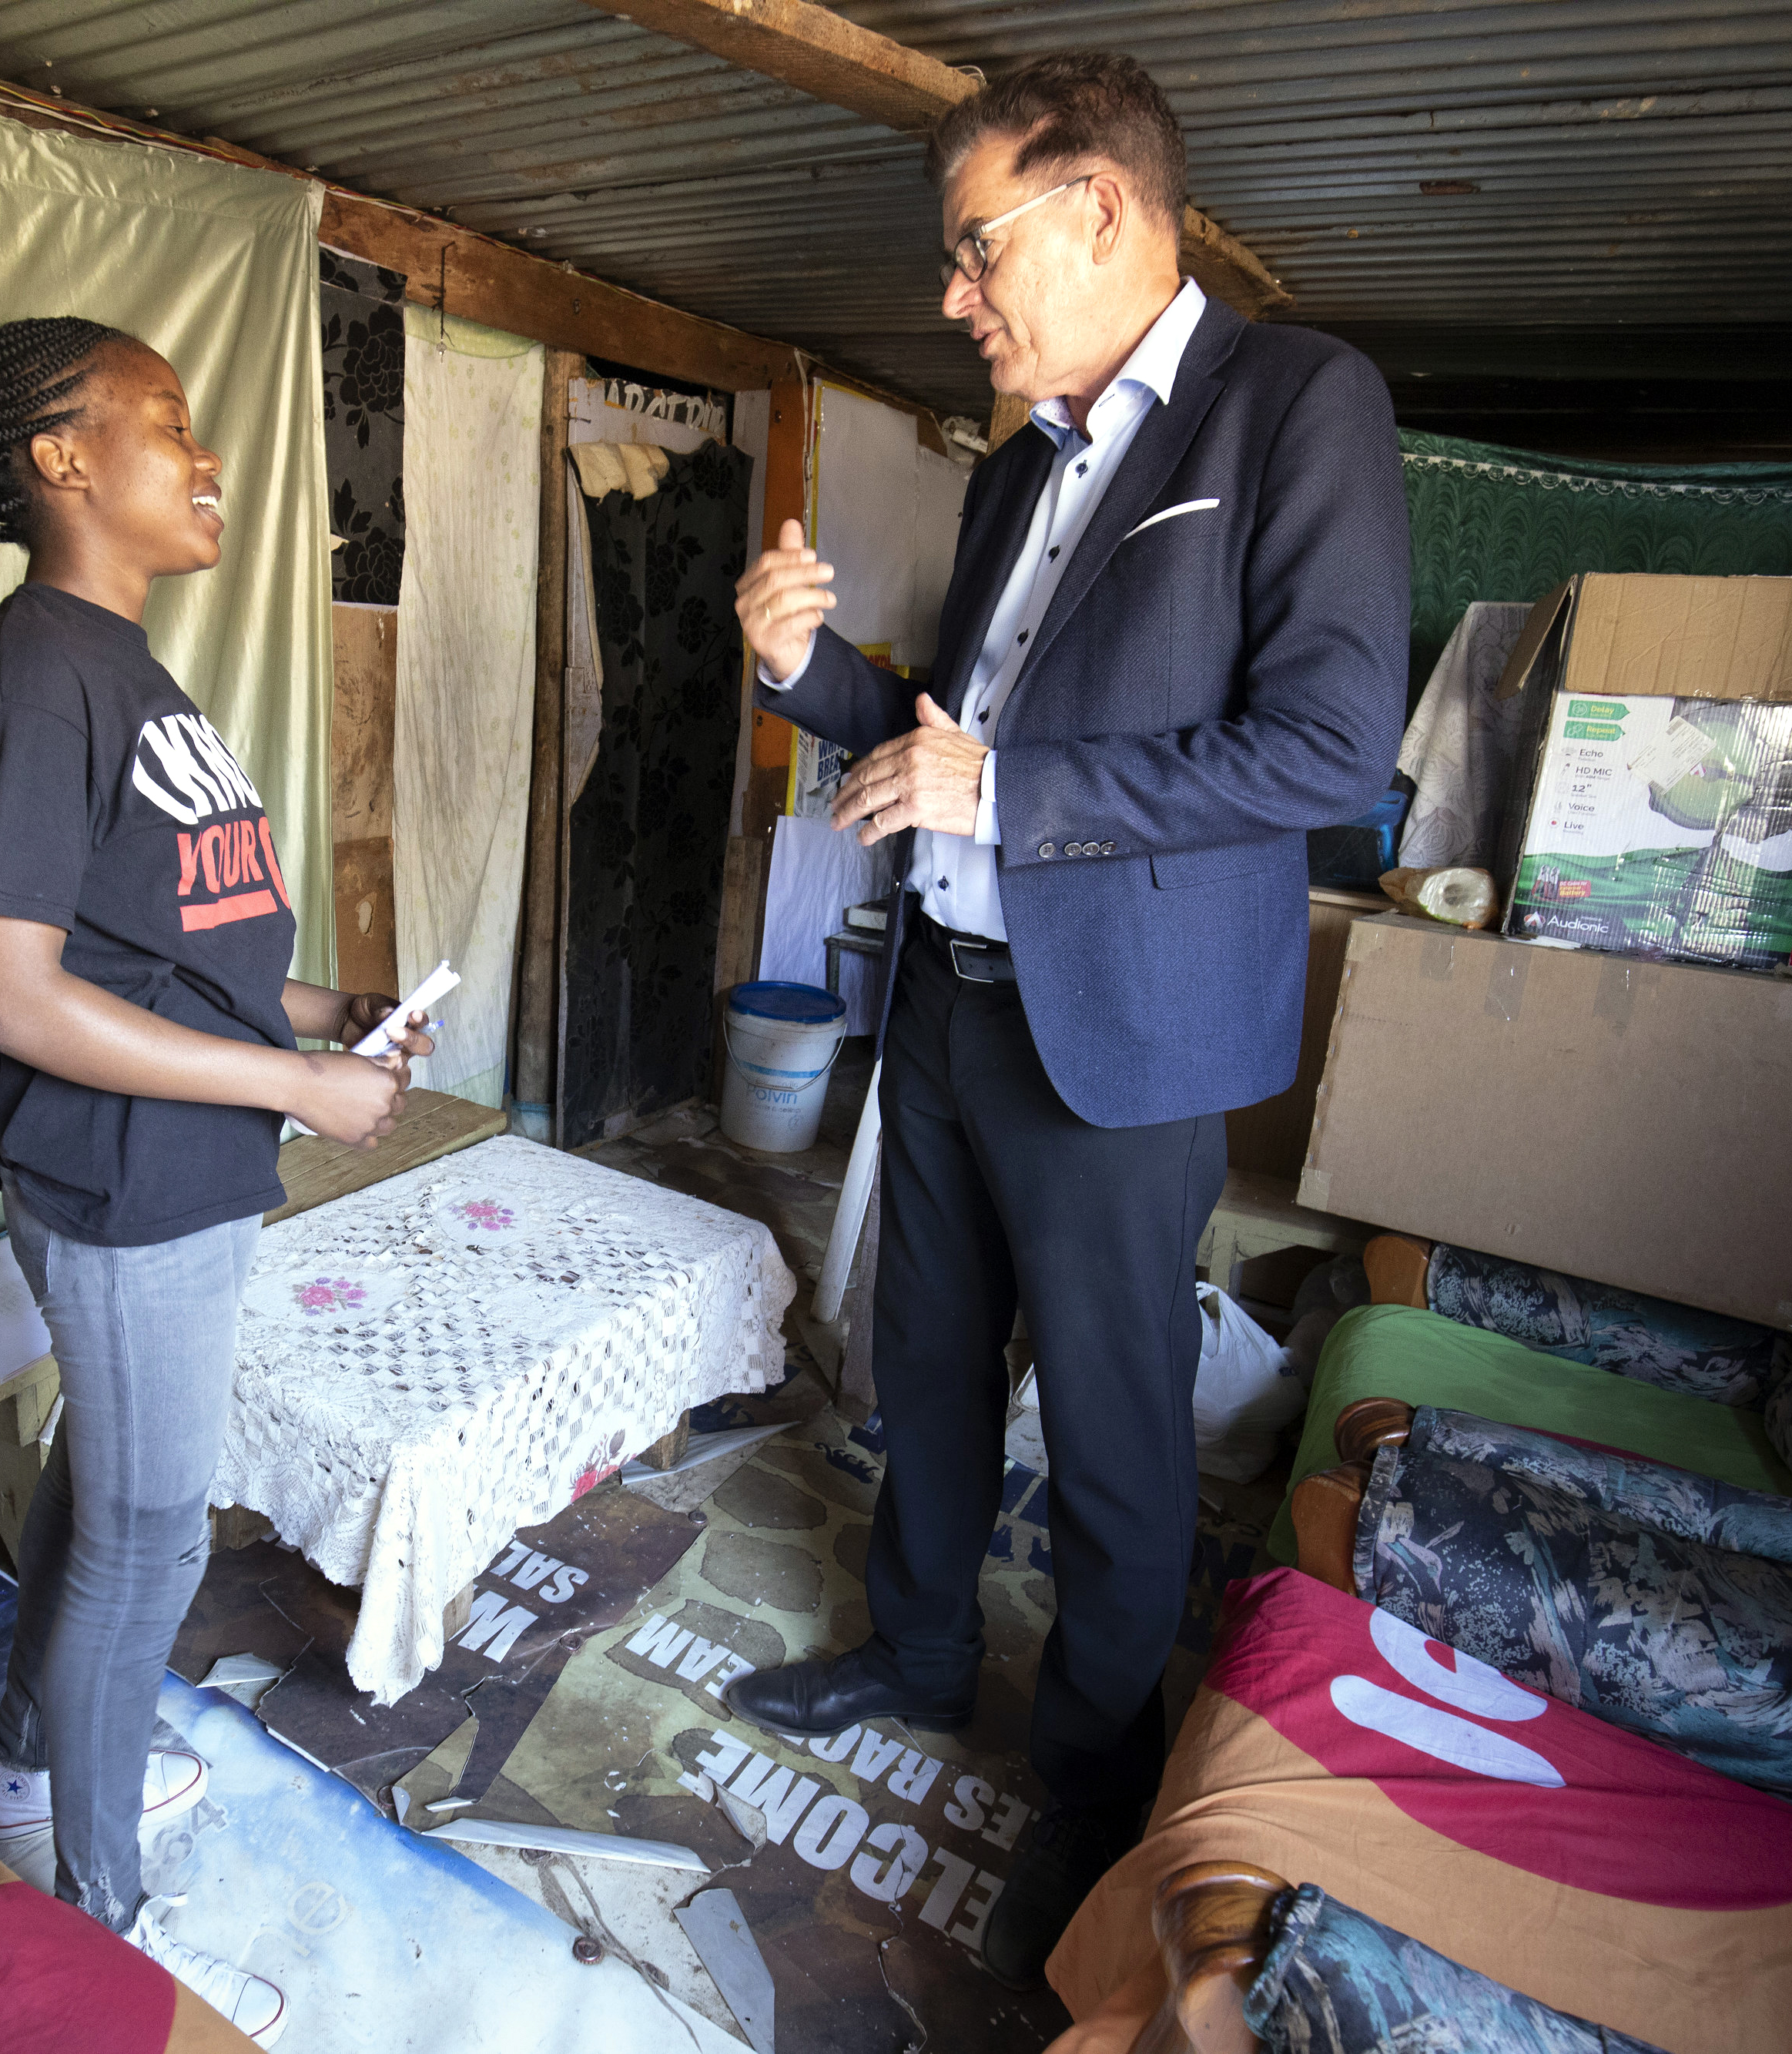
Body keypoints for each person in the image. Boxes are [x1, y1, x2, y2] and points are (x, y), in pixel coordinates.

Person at [725, 53, 1408, 1985]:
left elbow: (1327, 746)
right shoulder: (1022, 456)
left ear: (1098, 207)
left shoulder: (1291, 404)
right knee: (922, 1357)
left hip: (1116, 1031)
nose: (953, 295)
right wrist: (807, 675)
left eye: (972, 246)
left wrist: (1001, 801)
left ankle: (1092, 1782)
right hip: (946, 992)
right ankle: (919, 1646)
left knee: (1110, 1429)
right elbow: (952, 744)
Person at [0, 316, 432, 2047]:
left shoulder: (122, 670)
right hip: (121, 1181)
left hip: (179, 1166)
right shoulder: (34, 678)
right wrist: (289, 1081)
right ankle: (92, 1910)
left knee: (109, 1492)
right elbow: (19, 990)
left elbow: (165, 939)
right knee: (145, 1532)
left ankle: (36, 1761)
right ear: (58, 460)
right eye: (168, 424)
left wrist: (328, 1013)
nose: (208, 460)